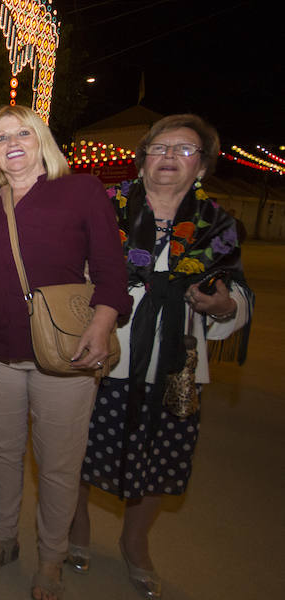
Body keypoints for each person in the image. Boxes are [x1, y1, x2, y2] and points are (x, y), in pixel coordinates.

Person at [68, 115, 253, 599]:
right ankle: (77, 525)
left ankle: (135, 541)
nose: (169, 157)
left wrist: (224, 305)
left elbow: (235, 289)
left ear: (203, 166)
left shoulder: (219, 223)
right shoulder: (107, 208)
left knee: (163, 456)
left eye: (184, 149)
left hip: (176, 358)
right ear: (143, 157)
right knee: (79, 446)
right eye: (159, 147)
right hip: (106, 349)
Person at [0, 105, 132, 600]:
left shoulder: (81, 190)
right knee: (4, 451)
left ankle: (51, 558)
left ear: (42, 142)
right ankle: (2, 539)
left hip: (65, 350)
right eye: (2, 137)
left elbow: (110, 269)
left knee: (58, 464)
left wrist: (101, 324)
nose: (12, 143)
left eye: (24, 134)